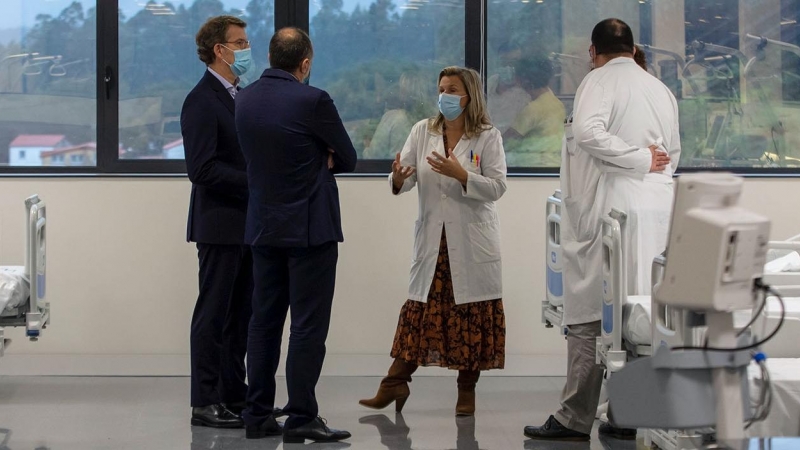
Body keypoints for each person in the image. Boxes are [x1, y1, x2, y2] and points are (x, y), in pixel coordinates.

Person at [524, 18, 680, 442]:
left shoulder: (599, 81)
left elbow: (590, 133)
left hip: (611, 209)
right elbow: (673, 154)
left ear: (594, 52)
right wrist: (647, 163)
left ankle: (575, 417)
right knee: (641, 317)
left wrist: (635, 160)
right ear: (633, 47)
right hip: (658, 209)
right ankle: (629, 412)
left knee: (594, 312)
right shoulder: (660, 90)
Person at [359, 66, 507, 417]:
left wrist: (462, 174)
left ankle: (466, 391)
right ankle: (394, 382)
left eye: (452, 89)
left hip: (472, 244)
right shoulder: (423, 131)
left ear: (468, 96)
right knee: (421, 314)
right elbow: (406, 177)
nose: (445, 96)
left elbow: (498, 187)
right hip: (433, 243)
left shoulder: (488, 136)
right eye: (441, 88)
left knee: (470, 314)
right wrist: (397, 177)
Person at [235, 27, 357, 443]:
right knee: (307, 327)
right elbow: (349, 157)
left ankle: (257, 415)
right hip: (310, 230)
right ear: (305, 63)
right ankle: (302, 416)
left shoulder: (244, 99)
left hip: (263, 229)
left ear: (270, 56)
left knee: (263, 323)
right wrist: (320, 157)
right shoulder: (314, 100)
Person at [181, 15, 256, 429]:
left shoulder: (238, 95)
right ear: (219, 51)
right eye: (240, 43)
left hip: (246, 224)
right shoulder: (201, 99)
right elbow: (203, 169)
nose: (246, 49)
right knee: (212, 315)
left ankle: (234, 395)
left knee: (240, 314)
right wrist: (256, 182)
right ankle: (204, 401)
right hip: (218, 224)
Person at [503, 55, 567, 167]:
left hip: (531, 165)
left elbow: (506, 141)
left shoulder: (533, 109)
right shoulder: (556, 103)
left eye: (517, 75)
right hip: (553, 164)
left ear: (524, 80)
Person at [363, 69, 432, 160]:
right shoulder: (433, 120)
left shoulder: (393, 118)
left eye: (401, 90)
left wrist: (366, 148)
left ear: (403, 93)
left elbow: (374, 155)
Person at [487, 43, 532, 134]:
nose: (508, 66)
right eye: (504, 61)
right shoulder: (491, 82)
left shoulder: (527, 91)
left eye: (513, 62)